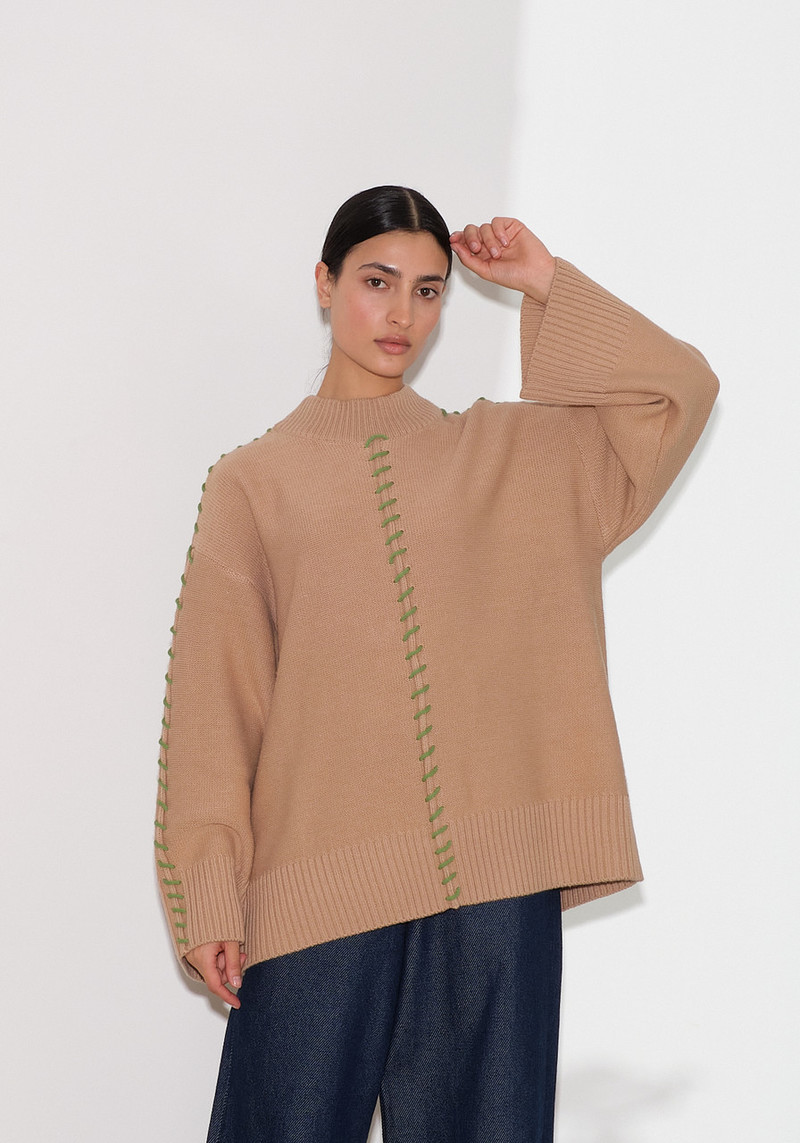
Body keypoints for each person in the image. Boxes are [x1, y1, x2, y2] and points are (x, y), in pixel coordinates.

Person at [154, 185, 719, 1142]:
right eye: (377, 282)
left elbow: (679, 393)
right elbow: (217, 704)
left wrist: (545, 282)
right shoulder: (253, 483)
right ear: (325, 283)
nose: (402, 315)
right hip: (317, 892)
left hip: (494, 897)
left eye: (427, 290)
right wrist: (210, 892)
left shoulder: (512, 455)